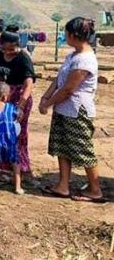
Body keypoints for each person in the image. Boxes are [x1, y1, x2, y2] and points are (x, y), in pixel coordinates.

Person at [39, 17, 103, 203]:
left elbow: (68, 89)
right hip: (64, 109)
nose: (64, 36)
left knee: (83, 150)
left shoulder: (85, 60)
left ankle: (95, 190)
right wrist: (45, 98)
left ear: (74, 35)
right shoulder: (73, 55)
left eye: (66, 33)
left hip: (77, 111)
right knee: (63, 148)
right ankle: (63, 185)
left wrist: (48, 103)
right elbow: (59, 79)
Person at [0, 25, 35, 175]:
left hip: (20, 97)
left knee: (18, 133)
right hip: (5, 96)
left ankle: (21, 165)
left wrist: (21, 106)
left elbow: (28, 84)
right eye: (5, 49)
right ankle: (5, 166)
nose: (8, 53)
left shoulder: (23, 59)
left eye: (11, 49)